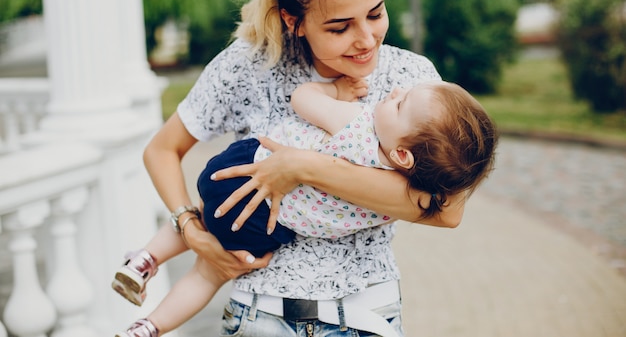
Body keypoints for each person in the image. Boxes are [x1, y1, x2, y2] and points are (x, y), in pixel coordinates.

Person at [117, 0, 499, 335]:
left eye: (376, 13)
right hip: (257, 315)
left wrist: (302, 168)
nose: (367, 39)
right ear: (292, 20)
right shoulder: (247, 65)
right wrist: (191, 231)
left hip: (363, 316)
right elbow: (161, 150)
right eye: (339, 27)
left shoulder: (413, 80)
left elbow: (447, 210)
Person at [112, 74, 497, 337]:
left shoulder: (356, 125)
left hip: (245, 168)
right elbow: (446, 208)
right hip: (268, 225)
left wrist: (335, 89)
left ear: (401, 152)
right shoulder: (401, 197)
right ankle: (148, 328)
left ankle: (145, 258)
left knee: (201, 212)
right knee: (207, 276)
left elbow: (303, 98)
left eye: (400, 104)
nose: (393, 93)